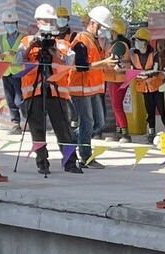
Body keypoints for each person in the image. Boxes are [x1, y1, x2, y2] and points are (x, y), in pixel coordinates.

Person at [20, 4, 78, 174]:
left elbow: (69, 64)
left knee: (63, 129)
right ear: (37, 22)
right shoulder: (26, 41)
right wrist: (31, 46)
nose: (49, 24)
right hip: (34, 92)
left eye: (51, 21)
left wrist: (54, 52)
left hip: (56, 92)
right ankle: (42, 163)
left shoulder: (62, 44)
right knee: (37, 129)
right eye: (46, 20)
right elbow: (18, 61)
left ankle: (70, 162)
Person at [71, 6, 115, 166]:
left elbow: (96, 63)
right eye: (102, 26)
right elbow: (82, 65)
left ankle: (70, 140)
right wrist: (104, 63)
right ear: (93, 23)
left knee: (98, 123)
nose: (104, 30)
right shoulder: (81, 40)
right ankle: (85, 157)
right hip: (81, 88)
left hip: (94, 88)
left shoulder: (96, 41)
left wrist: (107, 64)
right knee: (87, 123)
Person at [126, 28, 165, 139]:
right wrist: (139, 74)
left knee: (162, 110)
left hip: (158, 87)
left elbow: (155, 70)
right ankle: (151, 132)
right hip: (145, 88)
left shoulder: (154, 54)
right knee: (149, 111)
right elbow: (132, 69)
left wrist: (143, 74)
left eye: (138, 40)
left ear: (145, 42)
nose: (136, 42)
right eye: (135, 40)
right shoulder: (133, 55)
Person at [0, 10, 25, 129]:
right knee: (10, 99)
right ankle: (15, 123)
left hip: (18, 72)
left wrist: (14, 54)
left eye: (12, 23)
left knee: (19, 99)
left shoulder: (22, 37)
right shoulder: (1, 38)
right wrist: (3, 55)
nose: (10, 25)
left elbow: (24, 54)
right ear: (4, 24)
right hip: (5, 71)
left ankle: (27, 117)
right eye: (7, 23)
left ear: (16, 24)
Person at [103, 19, 130, 140]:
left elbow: (113, 62)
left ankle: (124, 133)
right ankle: (119, 132)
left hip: (118, 79)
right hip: (114, 78)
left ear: (114, 31)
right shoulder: (117, 44)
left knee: (117, 106)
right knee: (115, 106)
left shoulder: (119, 45)